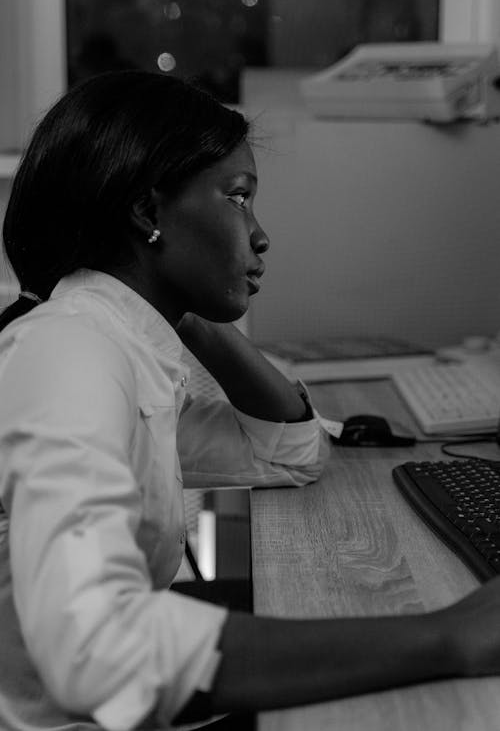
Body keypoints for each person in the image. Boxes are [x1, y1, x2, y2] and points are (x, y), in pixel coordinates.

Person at [0, 71, 500, 731]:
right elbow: (96, 647)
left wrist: (188, 314)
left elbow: (288, 452)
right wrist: (447, 637)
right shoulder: (73, 351)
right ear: (149, 213)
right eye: (239, 199)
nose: (261, 236)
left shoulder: (124, 343)